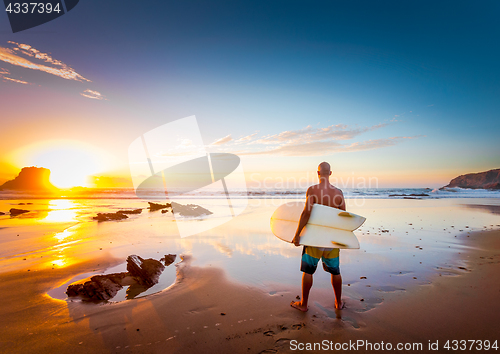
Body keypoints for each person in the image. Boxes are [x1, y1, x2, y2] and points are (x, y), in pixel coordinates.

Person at [290, 162, 345, 312]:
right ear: (331, 173)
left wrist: (297, 235)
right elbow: (344, 217)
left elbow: (306, 213)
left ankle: (304, 304)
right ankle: (338, 303)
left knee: (308, 271)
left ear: (318, 173)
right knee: (335, 271)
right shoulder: (339, 193)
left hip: (314, 239)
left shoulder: (312, 190)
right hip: (331, 239)